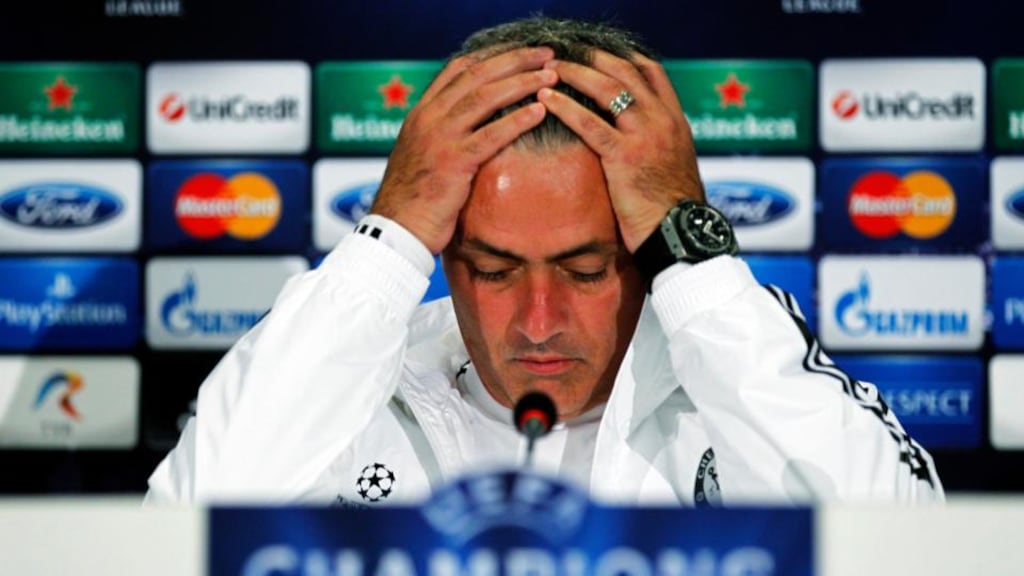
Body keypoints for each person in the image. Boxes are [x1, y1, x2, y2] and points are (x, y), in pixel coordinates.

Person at [146, 17, 943, 506]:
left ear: (646, 255)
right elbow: (168, 544)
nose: (537, 322)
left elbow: (912, 549)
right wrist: (387, 238)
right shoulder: (346, 377)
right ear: (440, 253)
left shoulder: (734, 371)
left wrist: (692, 253)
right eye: (492, 270)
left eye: (587, 270)